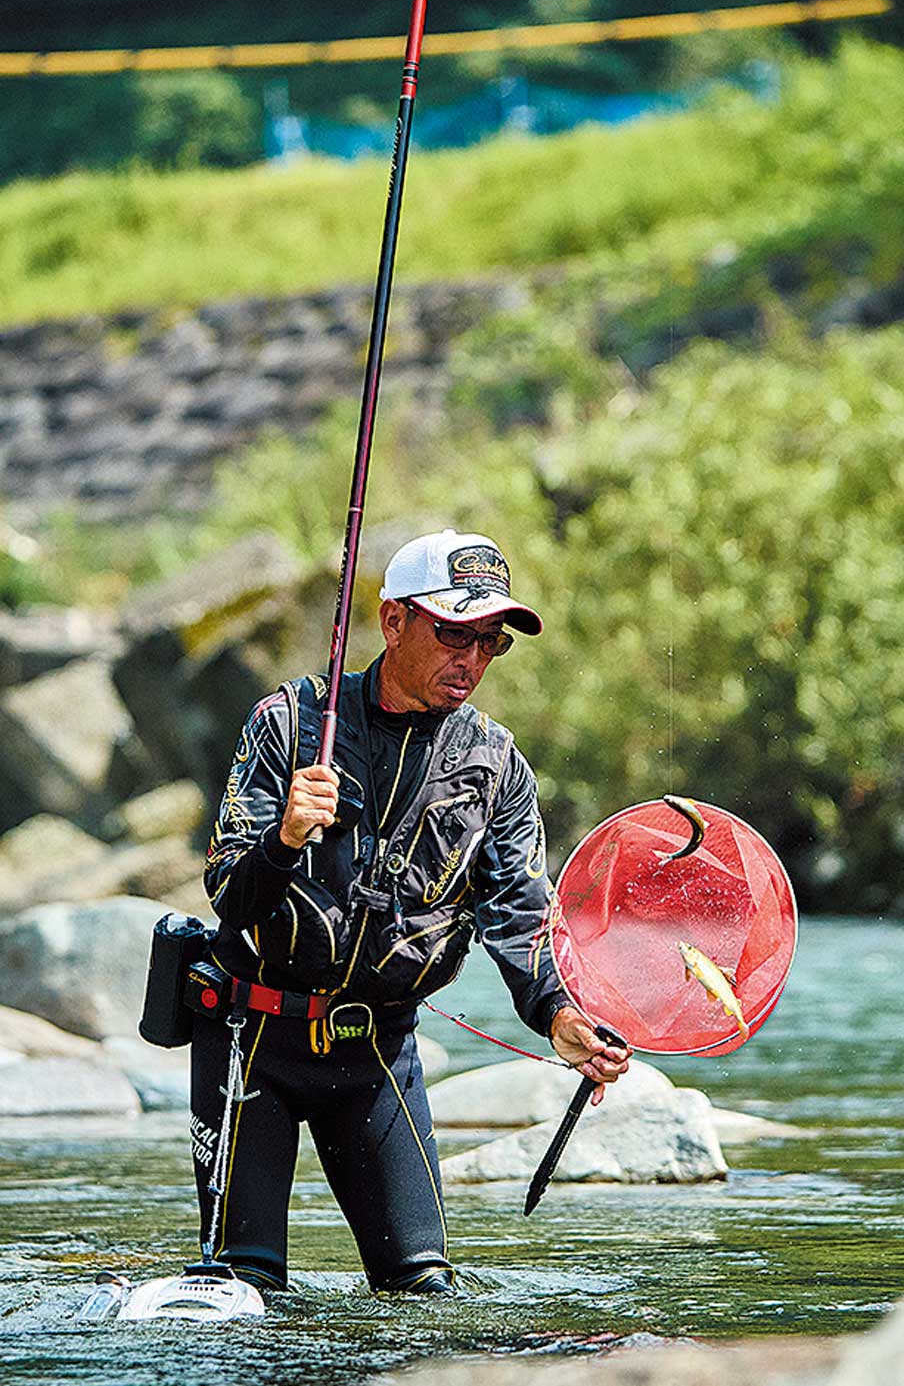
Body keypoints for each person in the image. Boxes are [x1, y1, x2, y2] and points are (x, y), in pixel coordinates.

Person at [192, 528, 630, 1295]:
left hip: (377, 1052)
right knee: (242, 1293)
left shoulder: (498, 768)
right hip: (252, 1035)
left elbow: (521, 916)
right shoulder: (287, 725)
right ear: (393, 621)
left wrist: (560, 1014)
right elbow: (229, 891)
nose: (472, 659)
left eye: (489, 642)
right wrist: (285, 835)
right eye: (453, 633)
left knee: (425, 1294)